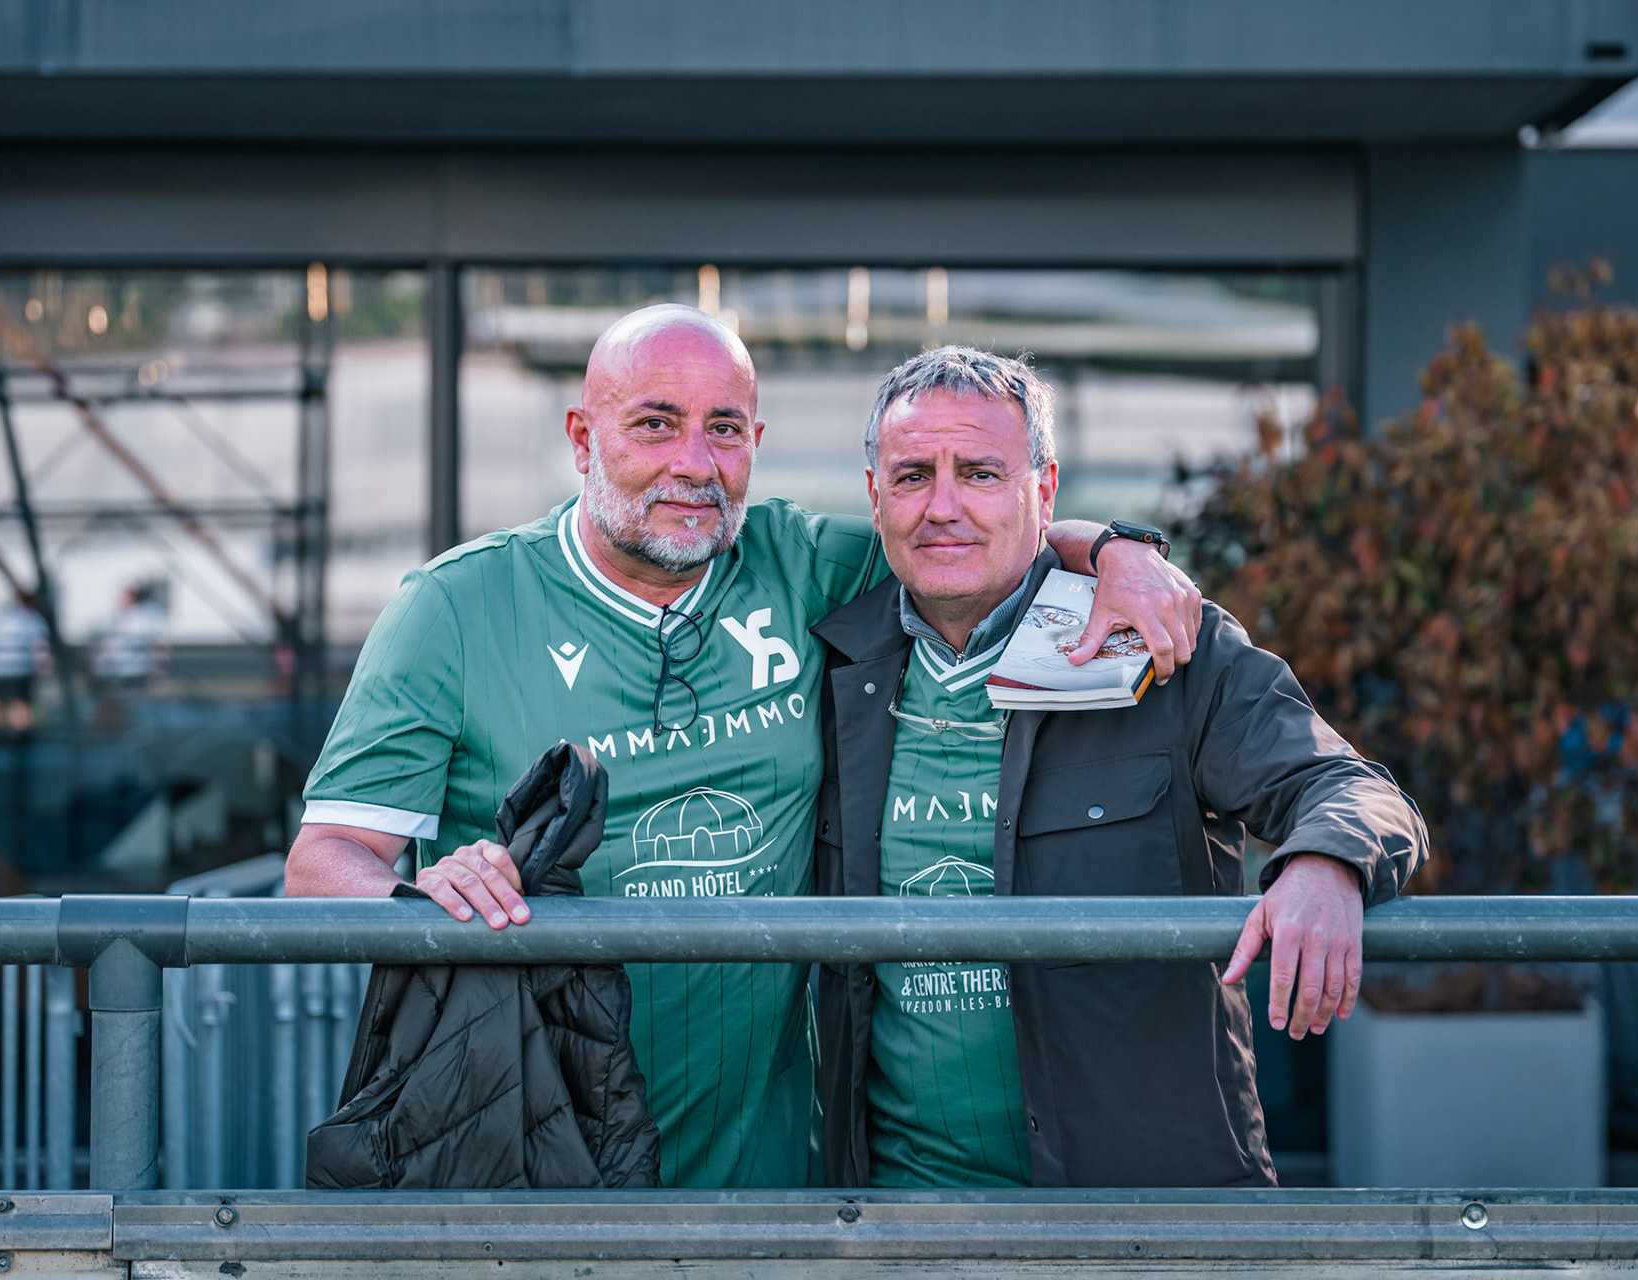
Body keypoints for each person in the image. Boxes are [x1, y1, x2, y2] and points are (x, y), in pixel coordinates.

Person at [284, 304, 1204, 1188]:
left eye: (723, 429)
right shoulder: (452, 608)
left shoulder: (799, 564)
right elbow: (322, 863)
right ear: (580, 439)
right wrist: (422, 895)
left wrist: (1119, 550)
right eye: (655, 424)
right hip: (535, 1160)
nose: (694, 463)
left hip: (770, 1184)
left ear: (755, 446)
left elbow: (967, 535)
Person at [810, 346, 1427, 1188]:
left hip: (1142, 1210)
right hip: (897, 1209)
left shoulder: (1163, 644)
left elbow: (1347, 786)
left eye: (983, 473)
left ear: (1044, 489)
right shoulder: (827, 662)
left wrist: (1326, 864)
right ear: (875, 496)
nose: (943, 507)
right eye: (914, 475)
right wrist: (1106, 543)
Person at [0, 595, 49, 731]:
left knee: (1, 703)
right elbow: (40, 646)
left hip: (0, 669)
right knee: (11, 704)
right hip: (15, 670)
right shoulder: (31, 618)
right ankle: (14, 737)